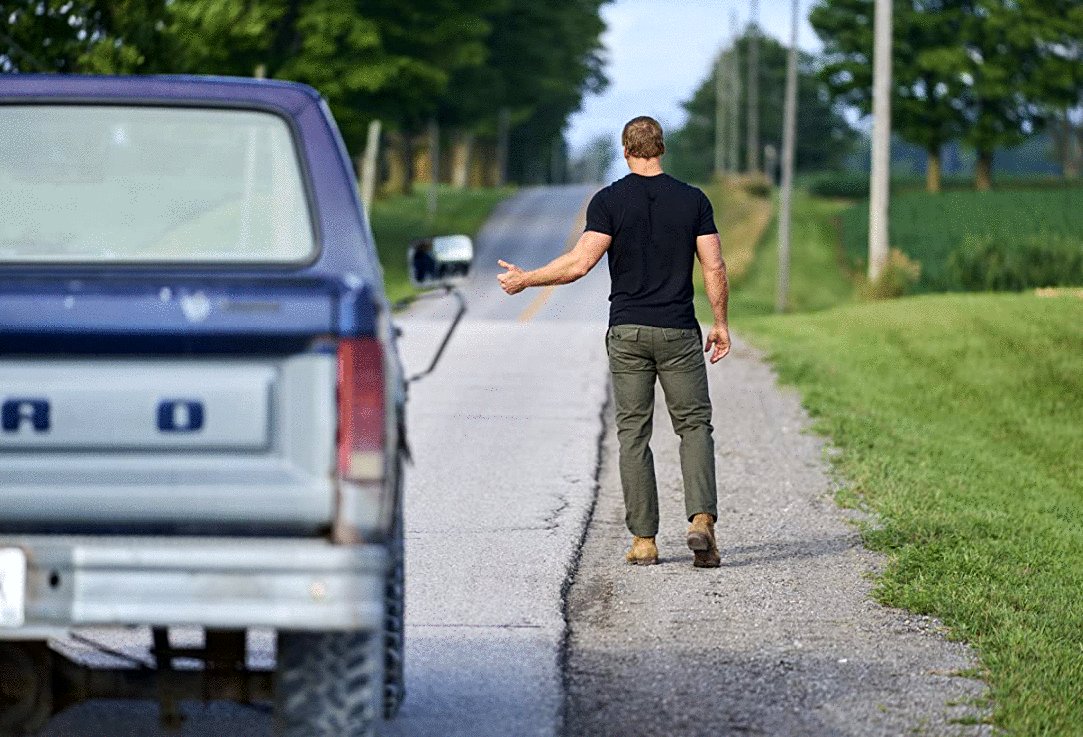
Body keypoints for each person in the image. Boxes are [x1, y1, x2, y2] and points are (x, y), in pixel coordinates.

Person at [497, 116, 730, 568]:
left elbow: (580, 263)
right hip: (679, 331)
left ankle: (644, 541)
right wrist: (720, 322)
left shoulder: (609, 201)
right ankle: (701, 521)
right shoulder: (693, 200)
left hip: (627, 334)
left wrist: (527, 280)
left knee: (633, 434)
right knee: (694, 427)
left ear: (626, 151)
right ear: (661, 148)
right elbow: (714, 266)